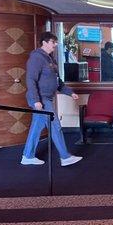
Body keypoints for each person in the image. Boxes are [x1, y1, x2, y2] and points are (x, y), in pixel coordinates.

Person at [21, 32, 83, 167]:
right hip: (41, 99)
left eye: (56, 42)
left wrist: (70, 93)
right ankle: (65, 157)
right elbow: (31, 80)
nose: (55, 44)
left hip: (46, 98)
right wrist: (36, 100)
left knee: (36, 127)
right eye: (53, 42)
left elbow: (58, 82)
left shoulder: (50, 59)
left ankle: (27, 156)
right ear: (44, 42)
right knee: (55, 126)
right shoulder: (37, 57)